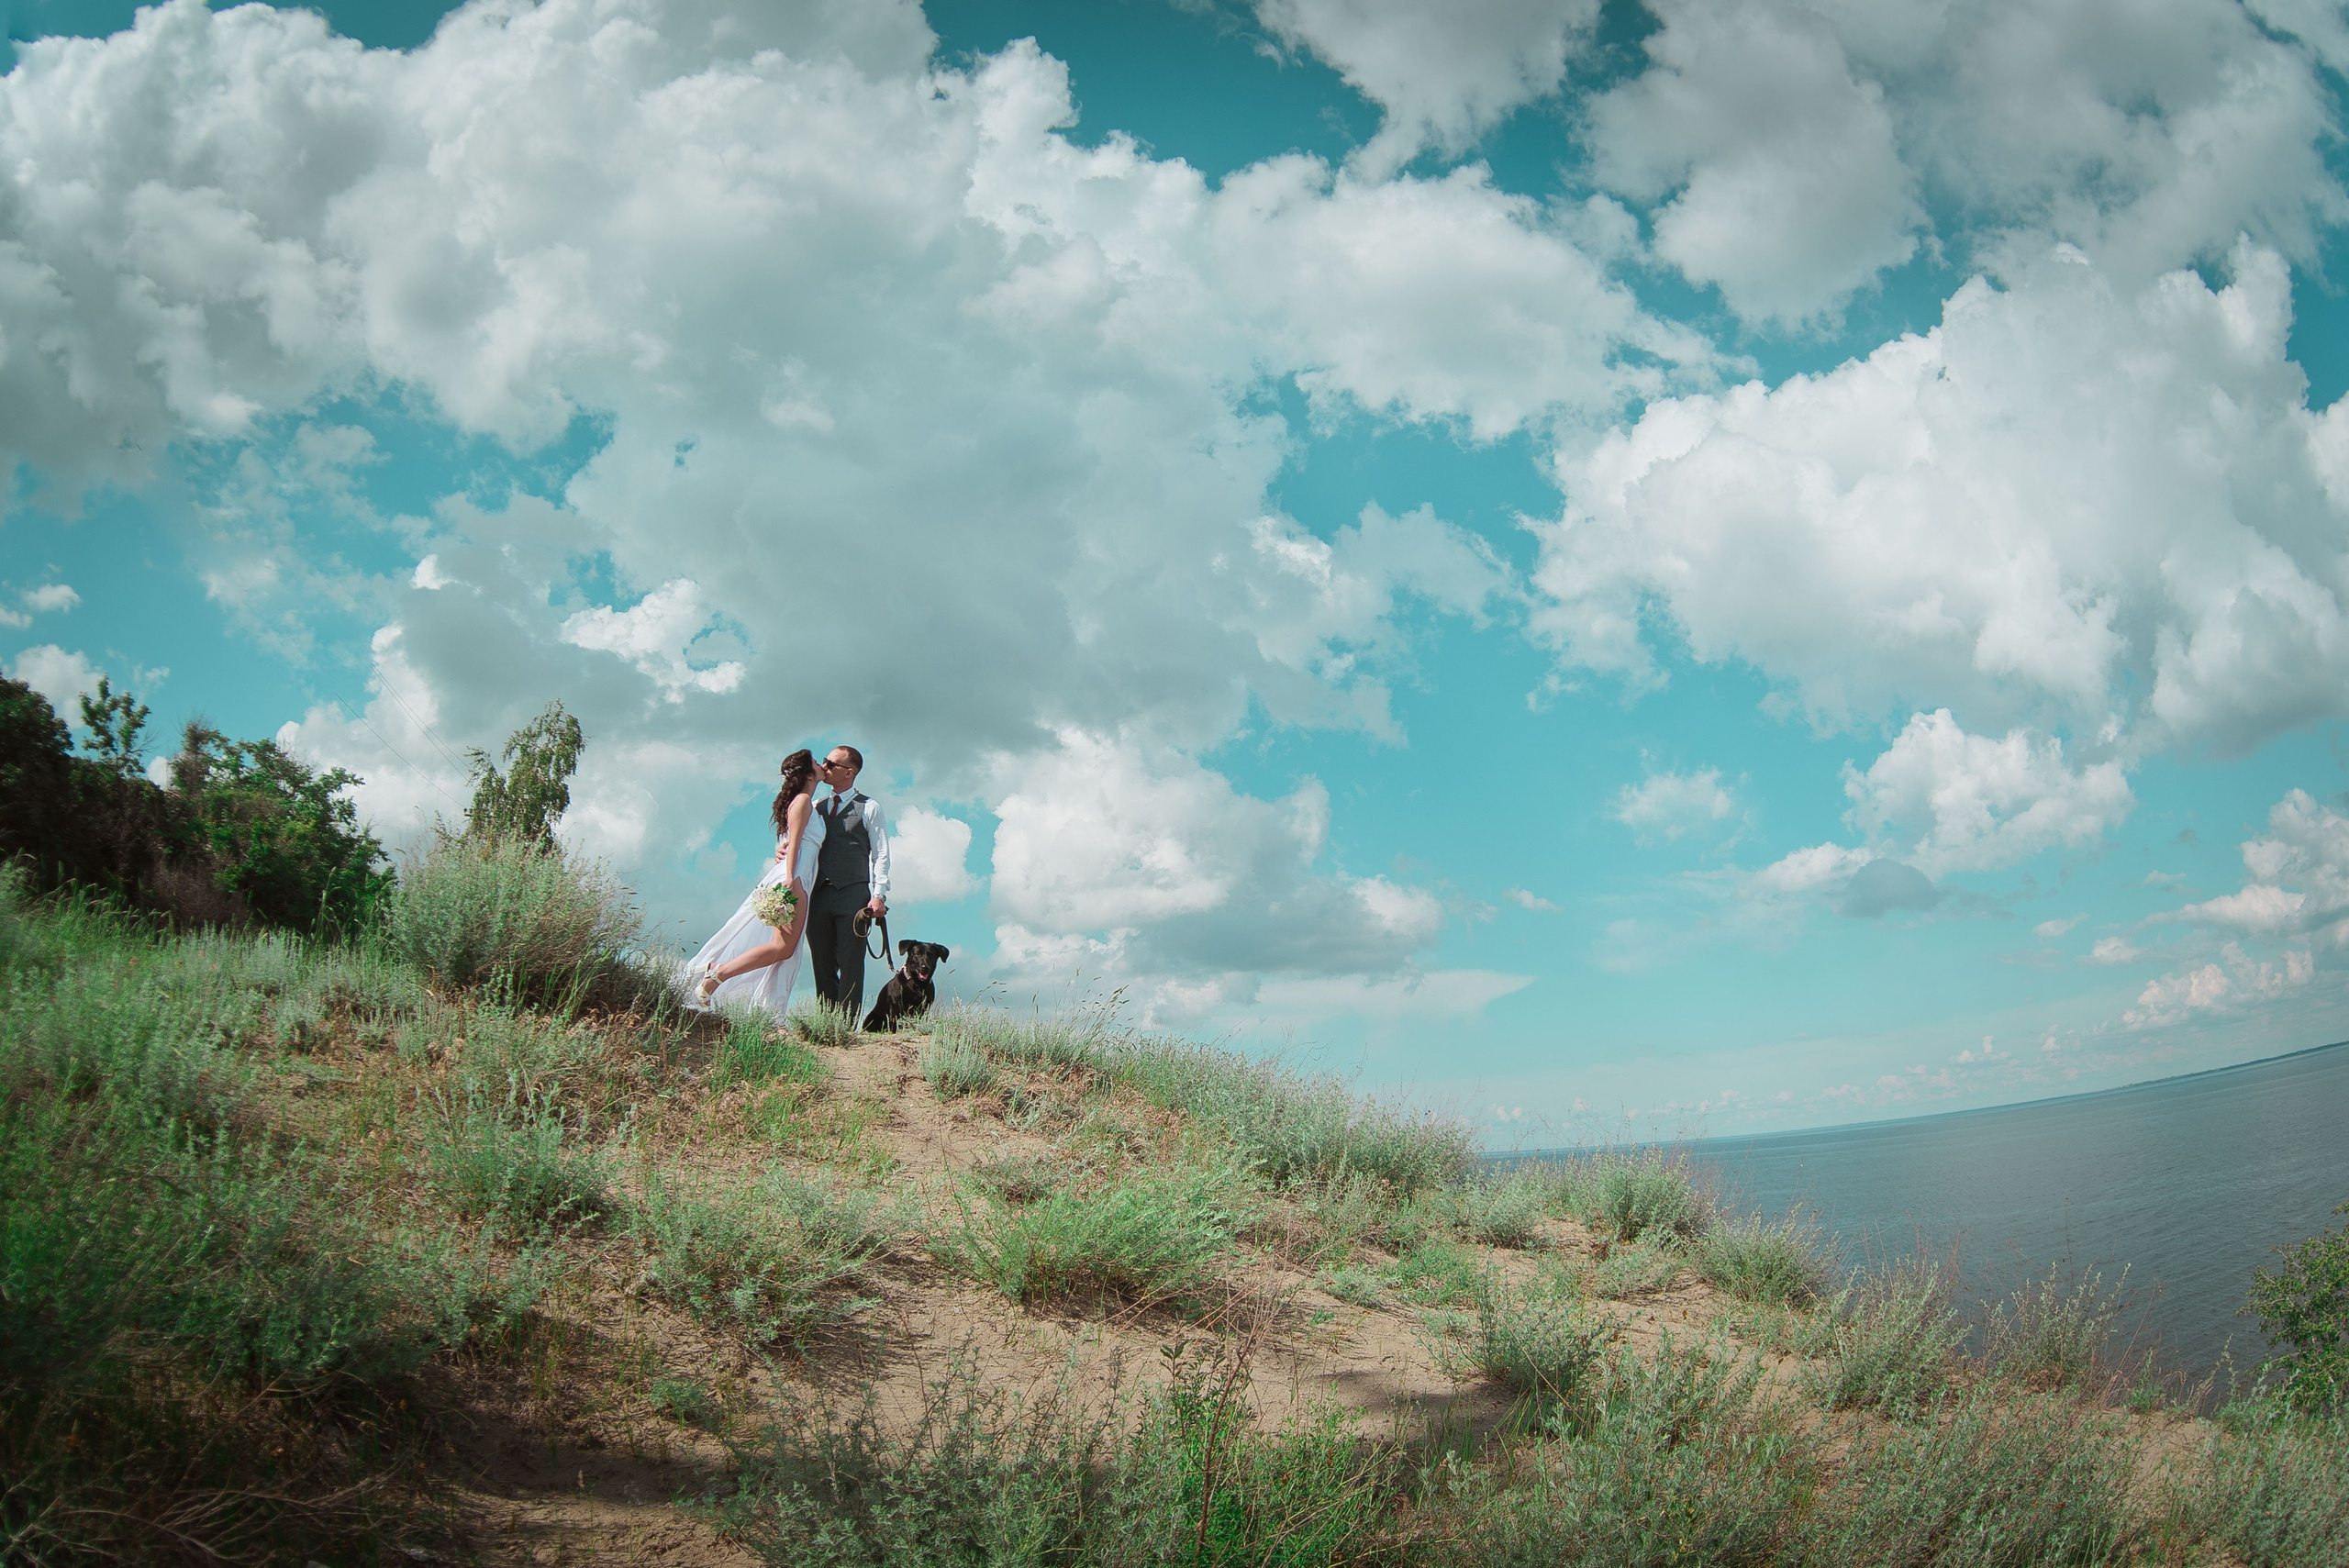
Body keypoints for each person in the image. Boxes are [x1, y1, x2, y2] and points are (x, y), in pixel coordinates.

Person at [684, 749, 823, 1016]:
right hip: (794, 878)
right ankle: (717, 975)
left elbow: (792, 842)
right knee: (783, 948)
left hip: (799, 875)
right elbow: (793, 845)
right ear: (808, 774)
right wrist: (790, 879)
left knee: (783, 948)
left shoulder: (806, 802)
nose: (821, 766)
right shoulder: (804, 800)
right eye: (816, 763)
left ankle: (721, 978)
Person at [806, 744, 890, 1021]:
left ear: (849, 772)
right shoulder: (815, 808)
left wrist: (879, 895)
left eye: (831, 764)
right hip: (818, 894)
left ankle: (845, 1025)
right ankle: (826, 1022)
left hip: (854, 893)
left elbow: (880, 853)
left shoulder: (869, 807)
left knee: (852, 962)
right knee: (821, 962)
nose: (825, 767)